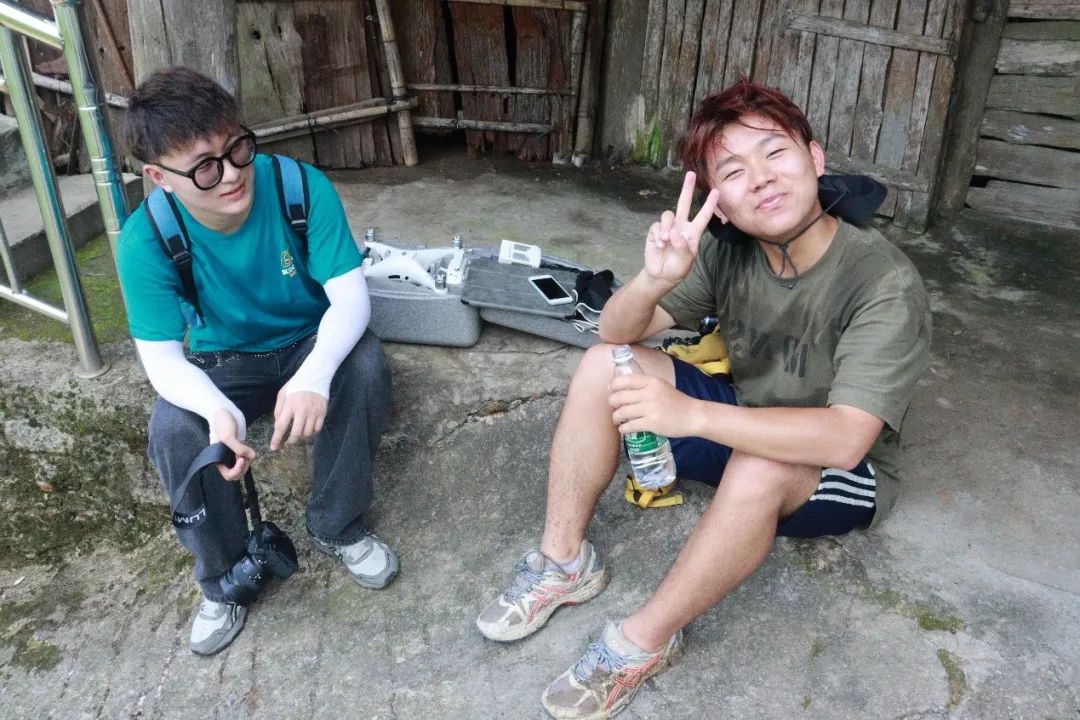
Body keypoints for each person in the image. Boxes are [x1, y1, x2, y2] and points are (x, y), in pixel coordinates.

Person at [476, 79, 931, 719]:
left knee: (761, 464)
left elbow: (846, 438)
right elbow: (615, 333)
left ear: (815, 158)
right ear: (718, 202)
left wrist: (689, 415)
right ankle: (563, 562)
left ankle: (642, 642)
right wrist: (652, 279)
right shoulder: (729, 250)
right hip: (744, 418)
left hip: (840, 472)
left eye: (775, 153)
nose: (762, 180)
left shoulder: (881, 282)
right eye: (734, 172)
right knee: (605, 366)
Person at [117, 67, 396, 657]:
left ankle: (336, 524)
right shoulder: (145, 240)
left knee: (365, 366)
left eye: (237, 148)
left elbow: (351, 300)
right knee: (174, 426)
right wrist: (218, 413)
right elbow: (162, 361)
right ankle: (223, 576)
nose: (231, 175)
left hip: (307, 337)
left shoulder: (299, 186)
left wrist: (314, 375)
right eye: (204, 167)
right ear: (159, 177)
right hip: (223, 359)